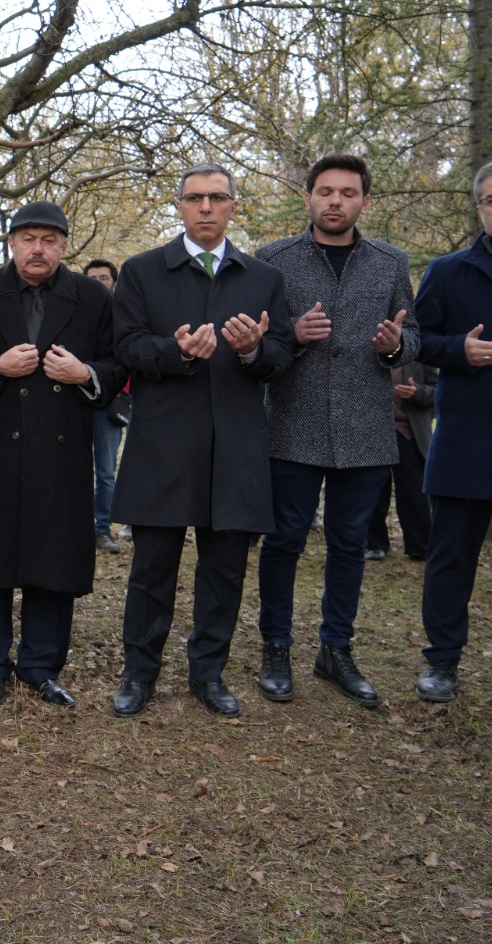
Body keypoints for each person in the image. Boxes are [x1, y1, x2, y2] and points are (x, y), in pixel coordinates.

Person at [109, 162, 294, 718]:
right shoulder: (142, 272)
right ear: (180, 207)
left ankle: (207, 674)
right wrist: (177, 351)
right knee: (151, 570)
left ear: (234, 206)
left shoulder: (263, 279)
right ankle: (139, 674)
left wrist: (252, 351)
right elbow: (126, 347)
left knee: (224, 571)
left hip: (236, 448)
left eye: (217, 198)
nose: (206, 208)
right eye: (195, 198)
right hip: (163, 444)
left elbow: (282, 357)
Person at [0, 202, 125, 708]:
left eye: (48, 239)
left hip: (60, 450)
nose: (37, 248)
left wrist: (85, 375)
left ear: (64, 246)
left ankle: (42, 666)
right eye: (27, 239)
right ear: (11, 243)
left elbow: (116, 366)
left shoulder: (91, 297)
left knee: (53, 559)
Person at [254, 154, 418, 707]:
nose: (335, 201)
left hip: (366, 427)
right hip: (292, 425)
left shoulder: (390, 262)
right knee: (283, 543)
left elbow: (411, 333)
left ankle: (336, 650)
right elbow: (257, 346)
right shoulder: (273, 260)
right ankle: (275, 647)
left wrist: (396, 347)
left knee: (350, 545)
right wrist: (293, 334)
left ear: (364, 202)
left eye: (348, 193)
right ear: (308, 197)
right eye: (325, 191)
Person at [412, 159, 492, 702]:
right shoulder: (449, 271)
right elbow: (416, 338)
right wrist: (457, 351)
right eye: (491, 200)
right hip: (468, 440)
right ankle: (442, 660)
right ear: (480, 208)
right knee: (450, 559)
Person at [366, 361, 436, 561]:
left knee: (414, 492)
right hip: (373, 432)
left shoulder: (421, 350)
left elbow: (438, 392)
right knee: (374, 492)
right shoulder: (369, 348)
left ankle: (420, 545)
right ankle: (375, 544)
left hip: (409, 434)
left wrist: (417, 392)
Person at [84, 259, 126, 554]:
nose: (99, 282)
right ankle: (75, 523)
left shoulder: (124, 315)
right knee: (71, 467)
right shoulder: (74, 311)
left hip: (110, 402)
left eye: (104, 277)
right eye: (92, 278)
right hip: (74, 401)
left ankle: (102, 529)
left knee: (107, 471)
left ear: (114, 282)